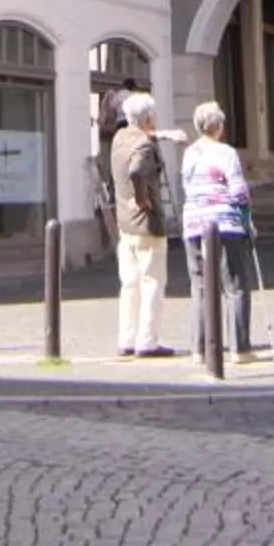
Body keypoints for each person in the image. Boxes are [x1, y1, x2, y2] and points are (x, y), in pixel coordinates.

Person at [180, 101, 257, 358]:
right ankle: (239, 348)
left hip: (194, 222)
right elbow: (238, 191)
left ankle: (201, 348)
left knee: (200, 286)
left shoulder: (189, 153)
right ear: (219, 127)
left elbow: (186, 186)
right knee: (235, 284)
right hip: (225, 223)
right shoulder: (226, 153)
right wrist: (248, 221)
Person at [107, 93, 175, 358]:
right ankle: (147, 341)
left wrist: (165, 134)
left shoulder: (120, 137)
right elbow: (137, 170)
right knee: (153, 282)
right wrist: (142, 198)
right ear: (148, 118)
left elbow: (141, 139)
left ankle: (126, 338)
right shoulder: (144, 145)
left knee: (129, 284)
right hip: (147, 224)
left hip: (125, 224)